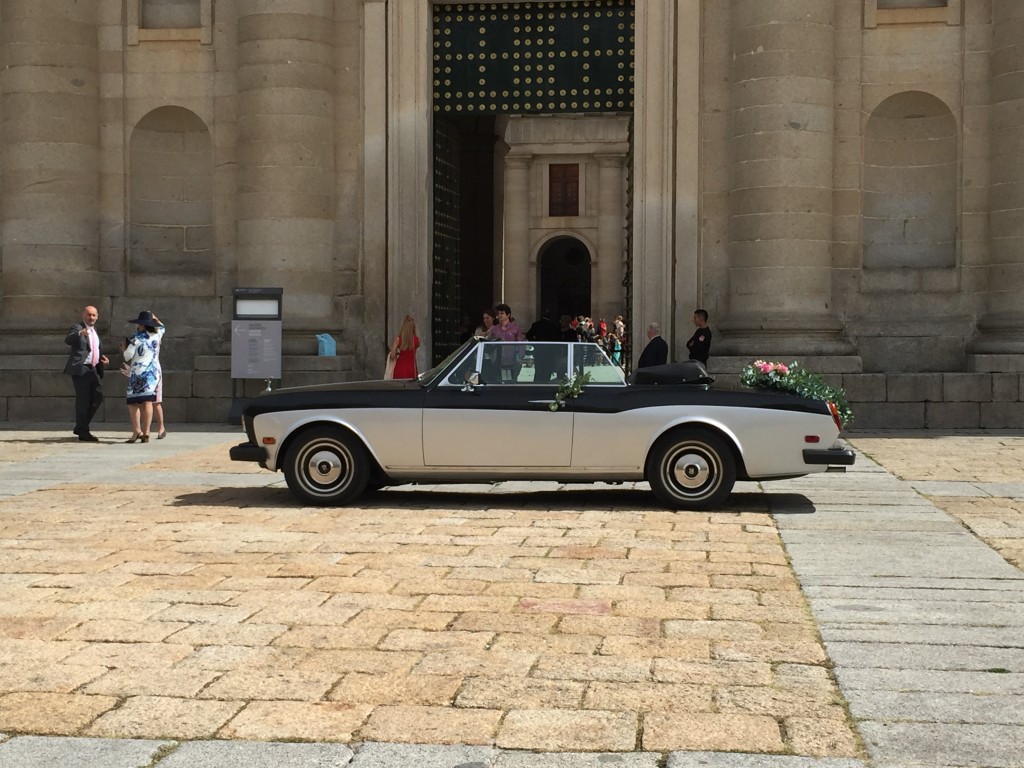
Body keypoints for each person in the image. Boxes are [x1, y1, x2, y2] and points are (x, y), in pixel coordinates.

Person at [64, 305, 109, 442]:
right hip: (81, 369)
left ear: (97, 316)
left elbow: (94, 350)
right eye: (89, 315)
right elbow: (68, 340)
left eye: (94, 315)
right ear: (83, 315)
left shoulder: (95, 332)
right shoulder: (77, 328)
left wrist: (101, 359)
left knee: (98, 397)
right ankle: (83, 432)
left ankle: (80, 425)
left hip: (93, 369)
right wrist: (79, 334)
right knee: (83, 400)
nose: (92, 318)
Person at [121, 310, 165, 443]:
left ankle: (137, 431)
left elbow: (127, 356)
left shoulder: (136, 337)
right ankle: (147, 431)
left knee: (133, 402)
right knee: (148, 401)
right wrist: (156, 319)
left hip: (138, 372)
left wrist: (123, 348)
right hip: (153, 373)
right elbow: (163, 327)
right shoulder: (157, 335)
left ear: (141, 324)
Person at [487, 302, 525, 382]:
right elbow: (491, 344)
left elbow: (521, 344)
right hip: (498, 360)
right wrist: (492, 357)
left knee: (512, 382)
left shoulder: (515, 328)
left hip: (513, 360)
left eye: (502, 313)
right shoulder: (495, 329)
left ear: (508, 315)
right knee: (499, 382)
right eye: (498, 313)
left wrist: (520, 358)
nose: (500, 315)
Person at [389, 315, 420, 379]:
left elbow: (392, 356)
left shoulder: (398, 339)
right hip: (412, 370)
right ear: (413, 327)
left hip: (399, 369)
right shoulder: (417, 340)